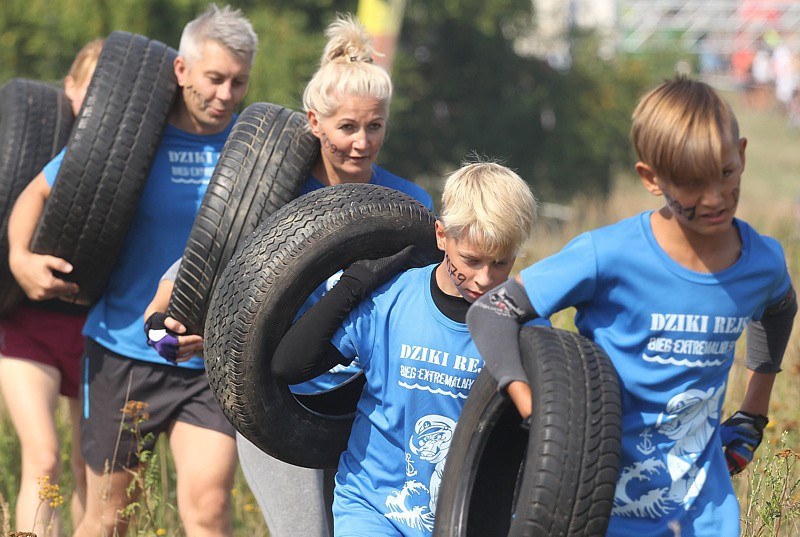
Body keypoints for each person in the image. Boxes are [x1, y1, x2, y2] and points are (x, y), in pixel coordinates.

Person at [465, 77, 797, 537]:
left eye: (725, 173)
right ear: (651, 178)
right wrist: (535, 411)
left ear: (741, 153)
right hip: (597, 509)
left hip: (705, 515)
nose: (715, 198)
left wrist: (753, 416)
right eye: (692, 183)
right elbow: (492, 312)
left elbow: (779, 308)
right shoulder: (610, 254)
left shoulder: (761, 261)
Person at [6, 5, 257, 537]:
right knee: (109, 517)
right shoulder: (132, 136)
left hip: (206, 362)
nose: (225, 96)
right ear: (182, 70)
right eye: (214, 78)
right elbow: (41, 189)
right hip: (124, 352)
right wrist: (19, 259)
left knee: (210, 508)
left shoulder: (252, 151)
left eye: (238, 83)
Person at [272, 160, 541, 537]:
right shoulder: (392, 298)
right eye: (472, 260)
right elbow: (289, 366)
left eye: (501, 263)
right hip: (372, 507)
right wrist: (353, 286)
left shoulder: (527, 327)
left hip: (468, 517)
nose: (485, 278)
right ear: (442, 235)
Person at [0, 37, 103, 537]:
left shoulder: (139, 161)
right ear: (70, 87)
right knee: (42, 457)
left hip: (97, 330)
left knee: (92, 471)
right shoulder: (33, 146)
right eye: (93, 89)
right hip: (26, 324)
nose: (105, 105)